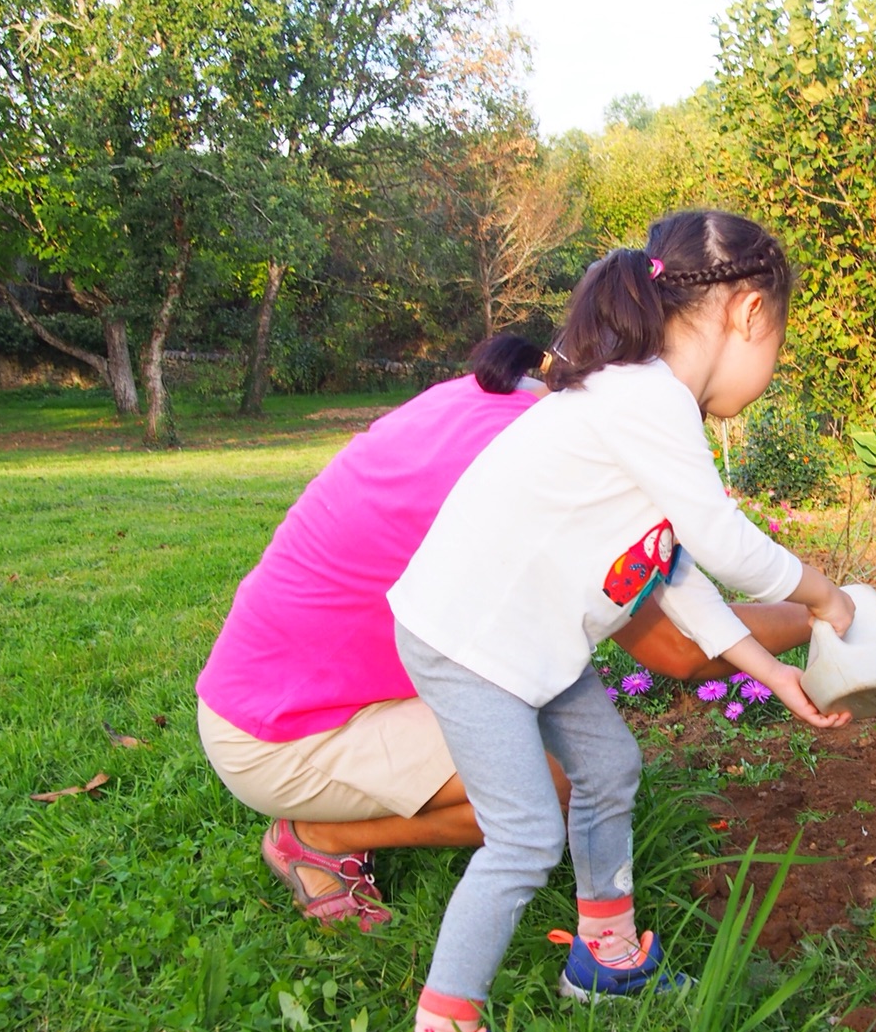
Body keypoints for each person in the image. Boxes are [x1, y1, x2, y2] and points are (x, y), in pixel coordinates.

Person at [378, 210, 876, 1032]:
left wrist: (767, 667)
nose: (771, 370)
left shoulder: (640, 403)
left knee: (611, 765)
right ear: (747, 314)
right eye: (778, 340)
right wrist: (828, 597)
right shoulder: (642, 395)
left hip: (531, 644)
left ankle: (605, 956)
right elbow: (725, 541)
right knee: (523, 835)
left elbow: (673, 567)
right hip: (468, 645)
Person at [195, 331, 818, 929]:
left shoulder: (512, 404)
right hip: (282, 734)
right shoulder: (557, 473)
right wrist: (824, 616)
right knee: (557, 782)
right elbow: (681, 647)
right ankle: (319, 837)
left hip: (270, 688)